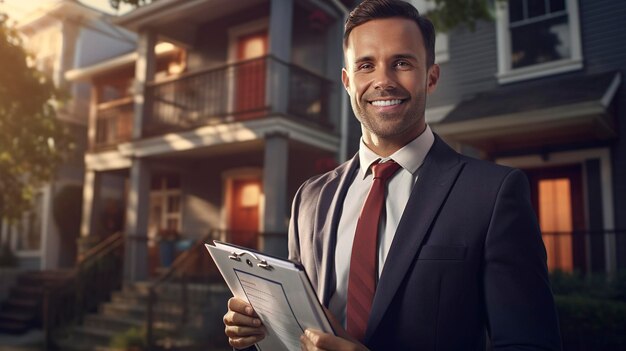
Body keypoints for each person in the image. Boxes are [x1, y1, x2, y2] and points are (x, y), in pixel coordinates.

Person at [223, 0, 562, 350]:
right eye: (365, 65)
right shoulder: (309, 197)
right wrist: (258, 329)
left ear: (431, 77)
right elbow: (300, 325)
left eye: (401, 63)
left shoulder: (493, 194)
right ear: (347, 81)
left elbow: (532, 344)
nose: (382, 81)